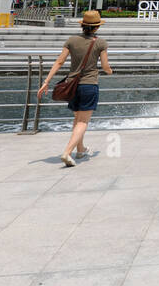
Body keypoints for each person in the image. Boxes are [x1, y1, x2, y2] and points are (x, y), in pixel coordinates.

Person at [37, 9, 112, 167]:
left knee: (77, 119)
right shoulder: (100, 43)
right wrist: (109, 71)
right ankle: (67, 152)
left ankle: (80, 149)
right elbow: (105, 67)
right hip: (89, 85)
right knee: (83, 122)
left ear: (83, 25)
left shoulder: (71, 40)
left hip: (72, 85)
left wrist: (46, 82)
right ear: (97, 27)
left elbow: (59, 62)